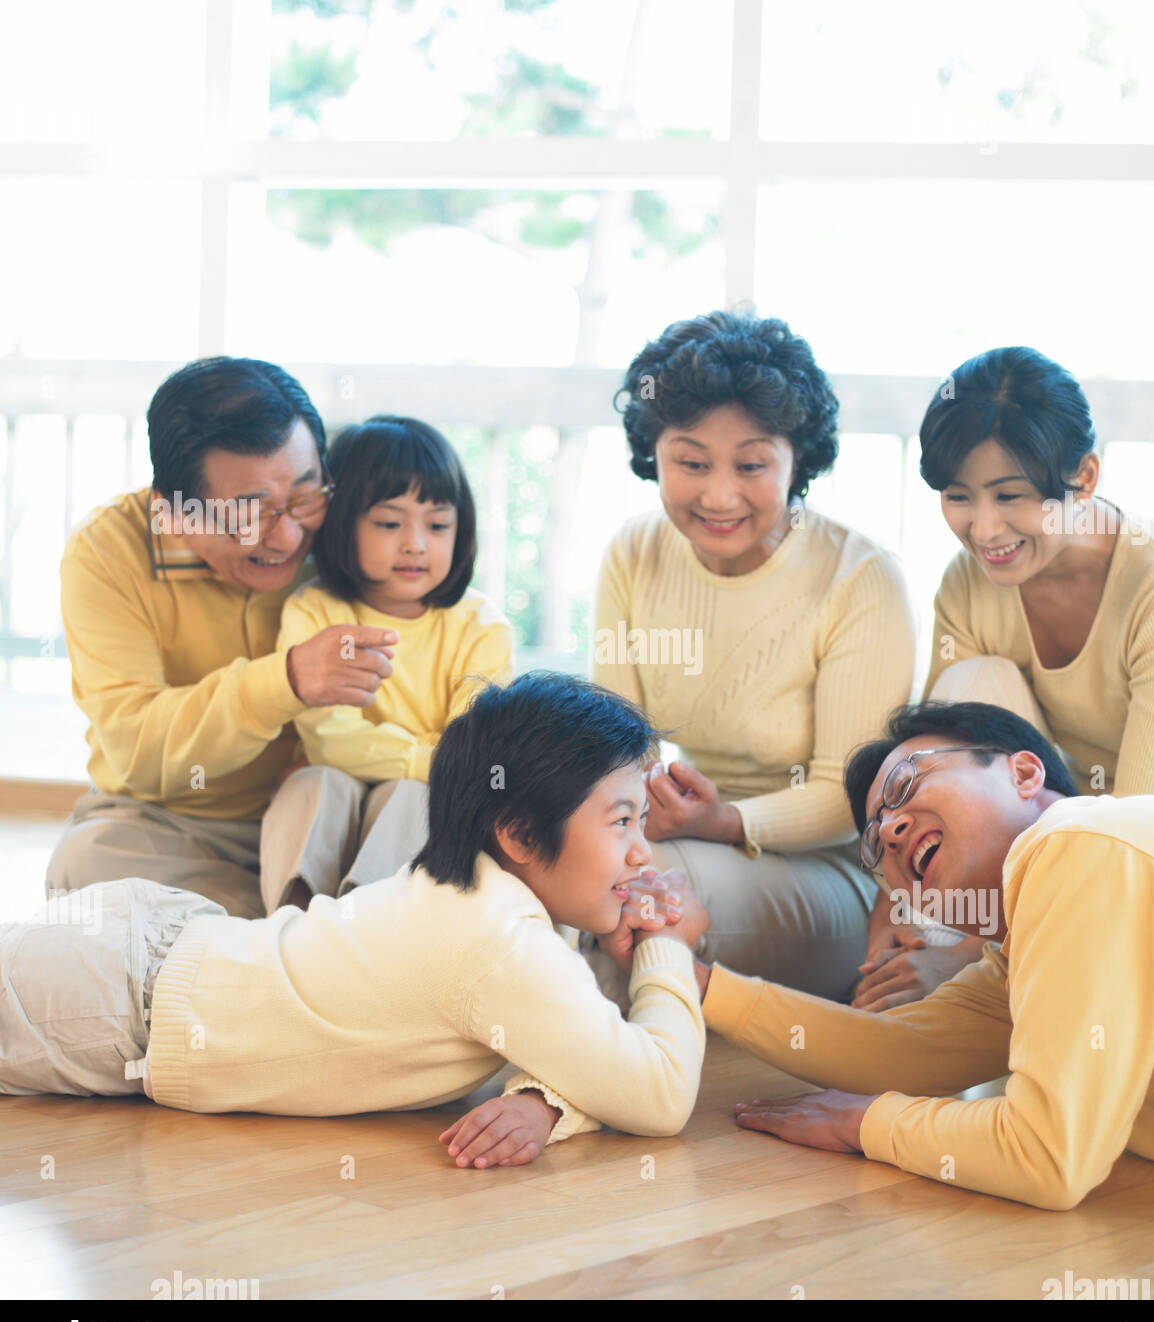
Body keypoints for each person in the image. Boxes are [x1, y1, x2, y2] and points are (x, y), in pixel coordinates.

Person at [2, 674, 708, 1170]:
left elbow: (575, 1036)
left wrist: (547, 1101)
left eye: (641, 820)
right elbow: (660, 1092)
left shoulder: (478, 888)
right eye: (621, 821)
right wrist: (667, 952)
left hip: (152, 958)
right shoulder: (499, 941)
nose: (643, 850)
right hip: (117, 1003)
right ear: (520, 835)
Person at [689, 700, 1154, 1210]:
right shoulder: (1030, 939)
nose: (893, 831)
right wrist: (700, 985)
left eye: (906, 787)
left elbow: (1048, 1155)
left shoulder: (1084, 845)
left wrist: (864, 1123)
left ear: (1025, 774)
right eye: (875, 844)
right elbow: (900, 1052)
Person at [855, 346, 1154, 1009]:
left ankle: (991, 972)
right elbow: (933, 765)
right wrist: (894, 908)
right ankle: (967, 965)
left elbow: (1138, 832)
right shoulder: (969, 585)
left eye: (1010, 497)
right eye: (958, 497)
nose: (983, 528)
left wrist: (964, 964)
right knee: (967, 696)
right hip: (1072, 832)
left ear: (1083, 476)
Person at [592, 310, 918, 1000]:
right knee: (575, 869)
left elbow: (853, 796)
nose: (719, 494)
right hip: (680, 844)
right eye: (690, 462)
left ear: (799, 461)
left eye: (751, 465)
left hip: (833, 879)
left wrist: (729, 821)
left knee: (637, 888)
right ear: (655, 454)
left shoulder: (859, 577)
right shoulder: (633, 553)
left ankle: (572, 1089)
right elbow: (611, 745)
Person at [46, 357, 399, 918]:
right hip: (177, 824)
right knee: (86, 867)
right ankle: (313, 943)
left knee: (413, 810)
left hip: (331, 812)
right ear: (172, 512)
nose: (286, 536)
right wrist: (286, 681)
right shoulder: (106, 552)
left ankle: (269, 944)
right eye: (247, 514)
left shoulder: (347, 521)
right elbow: (138, 749)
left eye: (305, 495)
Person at [260, 416, 513, 912]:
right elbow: (328, 738)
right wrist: (431, 759)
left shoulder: (481, 626)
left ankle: (367, 935)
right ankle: (287, 928)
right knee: (312, 782)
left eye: (438, 525)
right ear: (344, 522)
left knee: (410, 794)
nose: (415, 543)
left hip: (422, 795)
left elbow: (474, 749)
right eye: (389, 523)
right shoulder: (314, 611)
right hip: (347, 779)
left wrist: (428, 768)